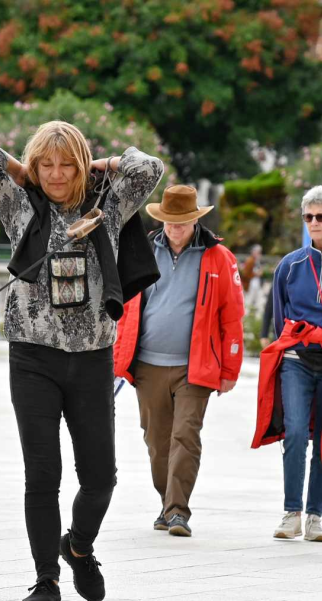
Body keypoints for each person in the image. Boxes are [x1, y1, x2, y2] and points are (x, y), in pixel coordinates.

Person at [0, 121, 164, 601]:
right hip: (32, 356)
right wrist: (25, 172)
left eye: (67, 163)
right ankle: (45, 581)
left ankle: (77, 546)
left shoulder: (109, 207)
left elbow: (149, 168)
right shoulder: (20, 207)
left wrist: (101, 166)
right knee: (42, 474)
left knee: (101, 476)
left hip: (93, 358)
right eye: (47, 164)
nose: (57, 174)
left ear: (82, 165)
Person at [113, 185, 245, 537]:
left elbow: (232, 316)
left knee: (186, 436)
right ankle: (166, 502)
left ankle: (177, 512)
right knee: (157, 441)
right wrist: (116, 356)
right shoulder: (143, 250)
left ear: (194, 221)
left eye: (182, 222)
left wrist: (230, 368)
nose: (174, 228)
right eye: (169, 221)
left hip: (196, 366)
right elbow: (123, 307)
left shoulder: (219, 257)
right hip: (147, 364)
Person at [252, 186, 322, 543]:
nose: (313, 223)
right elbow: (279, 319)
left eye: (320, 217)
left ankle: (316, 517)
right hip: (296, 360)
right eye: (308, 218)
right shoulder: (289, 266)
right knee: (297, 432)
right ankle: (292, 513)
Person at [241, 244, 265, 311]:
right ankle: (246, 317)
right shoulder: (250, 260)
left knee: (259, 300)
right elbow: (245, 274)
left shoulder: (257, 261)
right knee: (248, 300)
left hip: (257, 283)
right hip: (250, 283)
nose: (259, 254)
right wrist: (256, 274)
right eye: (258, 252)